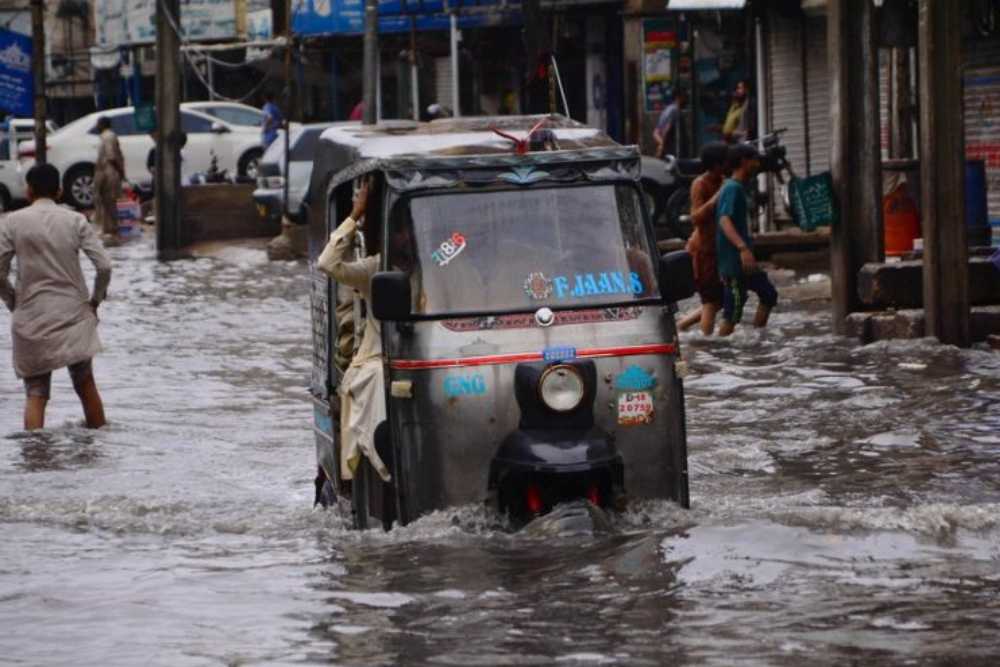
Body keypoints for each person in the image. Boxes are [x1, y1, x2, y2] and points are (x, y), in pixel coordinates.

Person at [0, 164, 111, 430]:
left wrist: (12, 300)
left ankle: (36, 461)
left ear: (28, 191)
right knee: (85, 384)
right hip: (73, 314)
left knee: (36, 393)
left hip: (31, 317)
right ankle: (97, 451)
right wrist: (94, 301)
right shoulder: (75, 221)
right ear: (60, 191)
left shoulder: (12, 222)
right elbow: (104, 266)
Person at [317, 177, 392, 485]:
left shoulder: (447, 266)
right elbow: (328, 263)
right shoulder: (376, 268)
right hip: (379, 362)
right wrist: (353, 217)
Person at [715, 144, 777, 337]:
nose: (757, 164)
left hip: (743, 261)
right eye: (754, 160)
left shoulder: (739, 187)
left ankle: (758, 339)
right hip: (734, 262)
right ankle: (717, 349)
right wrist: (742, 248)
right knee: (733, 312)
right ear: (744, 161)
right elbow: (724, 220)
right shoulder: (732, 188)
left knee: (768, 294)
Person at [677, 142, 728, 335]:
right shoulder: (700, 184)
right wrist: (716, 197)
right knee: (710, 300)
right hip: (703, 250)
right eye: (725, 162)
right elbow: (696, 217)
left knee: (720, 299)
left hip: (717, 250)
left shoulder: (723, 181)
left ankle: (683, 325)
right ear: (716, 165)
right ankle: (706, 343)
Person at [93, 116, 125, 241]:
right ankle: (108, 228)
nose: (97, 127)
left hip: (108, 171)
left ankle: (112, 229)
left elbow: (111, 157)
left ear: (102, 124)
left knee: (109, 201)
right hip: (106, 171)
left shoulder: (108, 136)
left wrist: (120, 171)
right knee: (105, 201)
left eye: (98, 124)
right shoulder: (107, 136)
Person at [653, 90, 686, 159]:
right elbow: (667, 129)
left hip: (668, 152)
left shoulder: (666, 110)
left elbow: (655, 133)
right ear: (678, 97)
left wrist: (661, 144)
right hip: (674, 152)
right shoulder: (675, 110)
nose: (686, 99)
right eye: (684, 97)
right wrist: (662, 146)